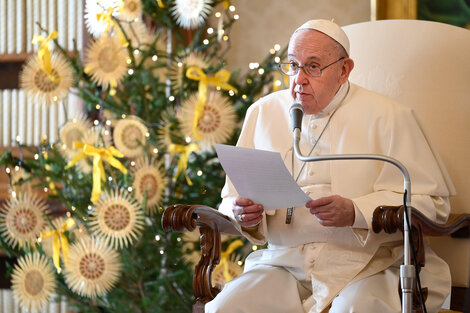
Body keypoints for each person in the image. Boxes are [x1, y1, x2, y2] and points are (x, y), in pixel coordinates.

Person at [205, 19, 454, 313]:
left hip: (371, 263)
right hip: (286, 263)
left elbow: (433, 205)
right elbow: (229, 199)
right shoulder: (263, 112)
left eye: (313, 66)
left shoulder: (389, 116)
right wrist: (242, 213)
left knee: (353, 308)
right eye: (293, 65)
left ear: (344, 70)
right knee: (228, 307)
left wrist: (357, 211)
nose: (298, 79)